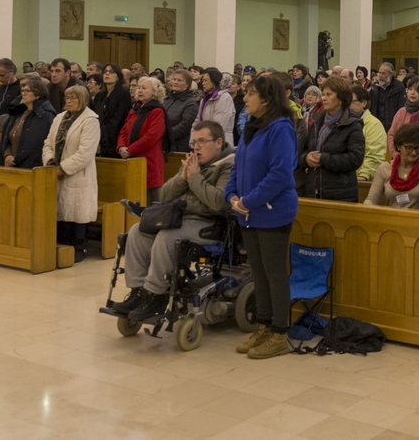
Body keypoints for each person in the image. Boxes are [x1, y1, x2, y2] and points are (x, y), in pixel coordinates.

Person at [114, 120, 236, 319]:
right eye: (194, 142)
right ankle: (138, 291)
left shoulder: (229, 165)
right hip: (180, 218)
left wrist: (194, 178)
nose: (196, 147)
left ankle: (155, 294)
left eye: (202, 141)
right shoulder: (193, 162)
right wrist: (183, 178)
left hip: (209, 224)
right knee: (138, 231)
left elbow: (216, 202)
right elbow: (164, 195)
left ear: (218, 142)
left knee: (167, 236)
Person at [225, 75, 299, 360]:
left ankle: (280, 334)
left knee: (274, 274)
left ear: (267, 100)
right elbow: (238, 165)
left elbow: (280, 174)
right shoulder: (252, 127)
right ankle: (263, 327)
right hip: (248, 212)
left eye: (251, 94)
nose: (245, 98)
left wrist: (248, 200)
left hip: (272, 211)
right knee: (258, 273)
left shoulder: (281, 128)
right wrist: (232, 196)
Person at [42, 85, 101, 261]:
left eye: (73, 98)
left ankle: (78, 248)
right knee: (61, 212)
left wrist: (63, 168)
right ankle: (61, 248)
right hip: (55, 172)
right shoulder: (59, 118)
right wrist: (51, 163)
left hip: (77, 174)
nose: (68, 101)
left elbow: (85, 153)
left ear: (83, 100)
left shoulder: (90, 120)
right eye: (67, 97)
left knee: (76, 212)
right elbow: (48, 143)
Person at [299, 76, 364, 202]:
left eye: (329, 94)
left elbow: (355, 158)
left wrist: (324, 158)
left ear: (341, 98)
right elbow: (305, 149)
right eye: (323, 94)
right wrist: (306, 158)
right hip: (313, 189)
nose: (323, 98)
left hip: (340, 192)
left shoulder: (352, 124)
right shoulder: (317, 120)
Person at [365, 123, 419, 210]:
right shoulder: (384, 168)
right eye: (409, 148)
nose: (414, 152)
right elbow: (372, 199)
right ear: (398, 146)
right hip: (392, 217)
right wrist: (366, 209)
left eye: (417, 148)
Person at [118, 77, 170, 204]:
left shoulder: (157, 111)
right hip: (132, 159)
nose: (140, 90)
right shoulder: (135, 109)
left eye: (144, 88)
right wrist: (121, 147)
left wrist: (129, 150)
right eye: (139, 87)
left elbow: (151, 136)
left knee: (152, 199)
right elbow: (124, 131)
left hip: (149, 159)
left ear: (154, 91)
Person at [2, 75, 57, 169]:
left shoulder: (46, 115)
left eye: (27, 91)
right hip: (12, 164)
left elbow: (41, 144)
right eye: (22, 91)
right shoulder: (18, 112)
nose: (23, 94)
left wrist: (18, 158)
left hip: (32, 165)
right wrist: (7, 154)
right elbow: (6, 137)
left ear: (37, 94)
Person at [350, 86, 386, 183]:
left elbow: (374, 155)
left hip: (363, 178)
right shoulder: (340, 122)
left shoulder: (374, 125)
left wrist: (364, 174)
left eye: (353, 101)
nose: (349, 105)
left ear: (364, 103)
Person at [193, 67, 236, 147]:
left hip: (220, 144)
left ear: (214, 82)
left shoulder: (224, 98)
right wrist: (194, 141)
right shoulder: (205, 98)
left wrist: (204, 140)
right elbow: (197, 121)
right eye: (202, 81)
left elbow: (219, 126)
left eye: (206, 80)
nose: (203, 83)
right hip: (204, 142)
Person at [162, 69, 198, 153]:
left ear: (187, 84)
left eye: (179, 80)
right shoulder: (166, 100)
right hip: (162, 144)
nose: (175, 82)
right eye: (174, 79)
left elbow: (185, 125)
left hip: (179, 147)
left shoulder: (190, 103)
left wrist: (166, 135)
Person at [386, 76, 419, 154]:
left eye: (416, 90)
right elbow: (392, 134)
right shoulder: (402, 111)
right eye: (410, 89)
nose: (412, 93)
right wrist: (395, 153)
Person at [369, 62, 407, 131]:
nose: (381, 76)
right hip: (376, 125)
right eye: (379, 73)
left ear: (391, 74)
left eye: (384, 73)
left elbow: (401, 107)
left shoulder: (399, 87)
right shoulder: (374, 87)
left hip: (392, 125)